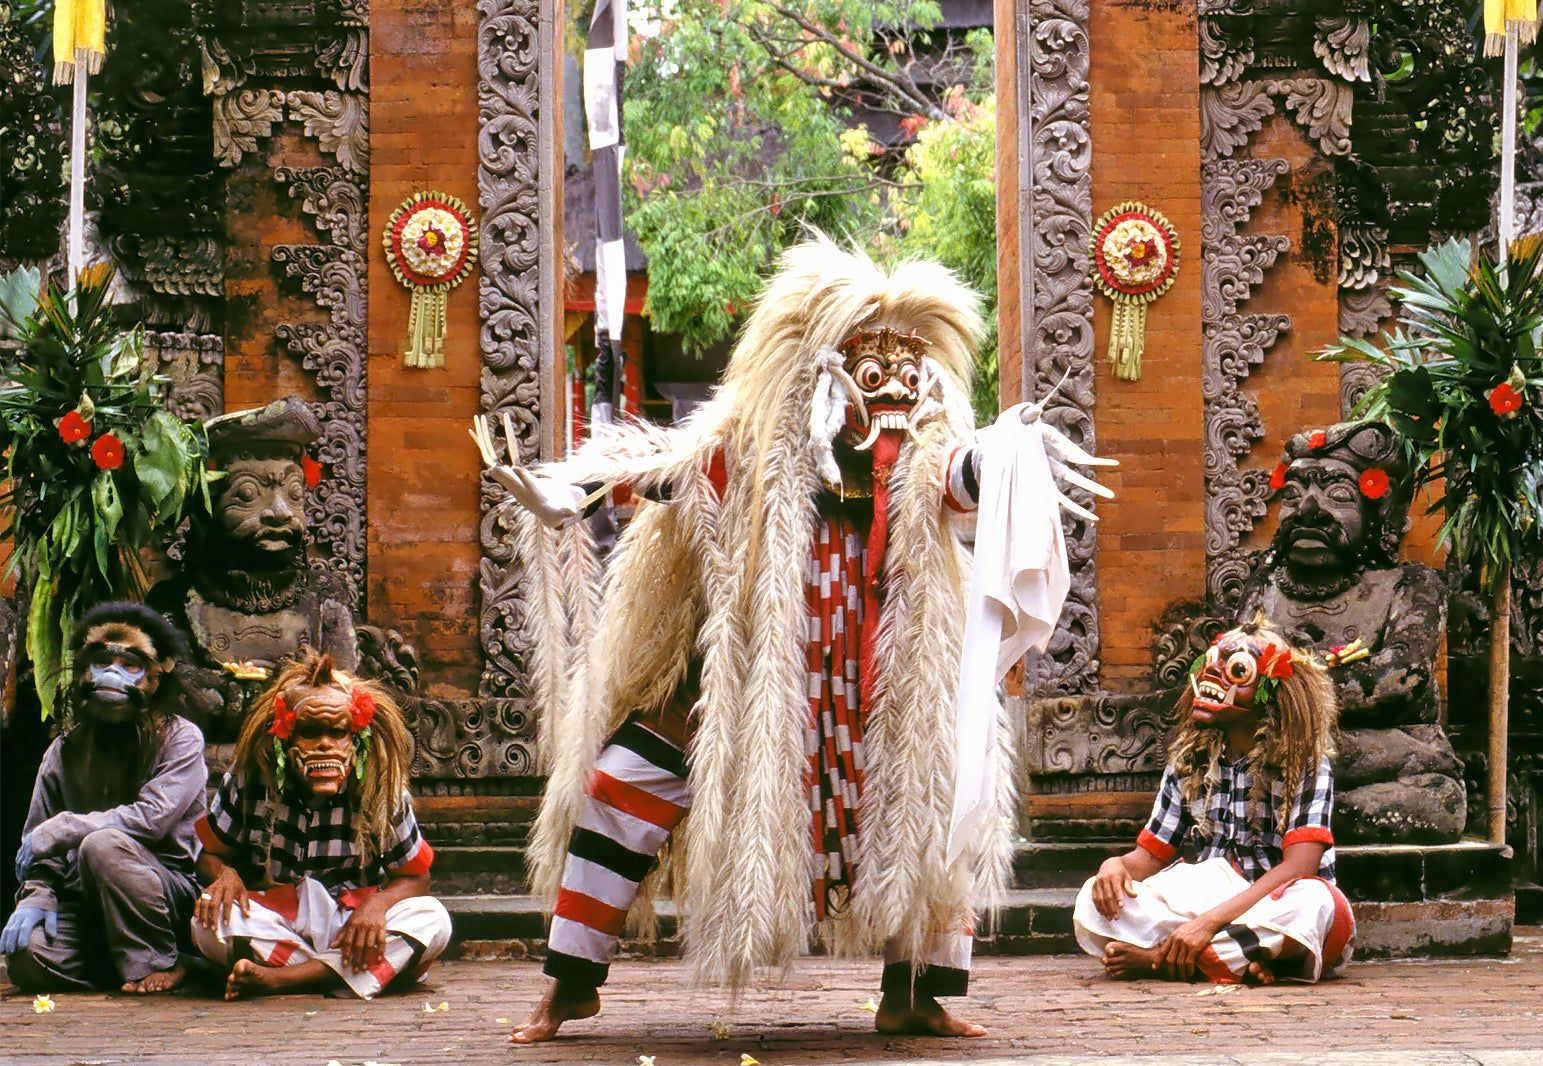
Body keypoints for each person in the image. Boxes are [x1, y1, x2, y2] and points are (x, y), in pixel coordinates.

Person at [487, 236, 1115, 1041]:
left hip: (890, 683)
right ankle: (571, 983)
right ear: (826, 375)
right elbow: (670, 471)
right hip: (759, 681)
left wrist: (1014, 451)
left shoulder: (923, 459)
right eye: (873, 372)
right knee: (624, 782)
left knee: (941, 804)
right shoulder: (757, 453)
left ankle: (916, 993)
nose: (893, 388)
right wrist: (572, 487)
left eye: (909, 374)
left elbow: (968, 478)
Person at [1074, 620, 1355, 985]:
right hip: (1215, 897)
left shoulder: (1305, 762)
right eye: (1211, 666)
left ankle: (1162, 958)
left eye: (1237, 671)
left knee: (1315, 904)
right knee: (1093, 898)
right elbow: (1149, 857)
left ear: (1271, 692)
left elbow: (1299, 868)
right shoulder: (1188, 761)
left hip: (1280, 901)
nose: (1213, 678)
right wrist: (1113, 868)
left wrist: (1208, 924)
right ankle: (1238, 960)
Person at [190, 654, 450, 999]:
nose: (325, 744)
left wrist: (377, 907)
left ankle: (283, 979)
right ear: (284, 737)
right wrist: (225, 876)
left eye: (337, 732)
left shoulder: (380, 786)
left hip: (352, 924)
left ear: (356, 737)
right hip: (278, 917)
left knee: (433, 918)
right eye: (310, 733)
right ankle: (354, 973)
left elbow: (417, 878)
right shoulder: (248, 779)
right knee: (207, 925)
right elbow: (209, 856)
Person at [3, 602, 208, 994]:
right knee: (27, 960)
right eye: (102, 662)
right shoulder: (65, 749)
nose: (113, 674)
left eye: (130, 665)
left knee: (102, 845)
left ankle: (163, 959)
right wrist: (37, 895)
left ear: (154, 677)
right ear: (84, 669)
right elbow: (37, 843)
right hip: (87, 899)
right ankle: (117, 960)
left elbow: (151, 819)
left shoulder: (181, 738)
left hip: (163, 892)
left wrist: (66, 827)